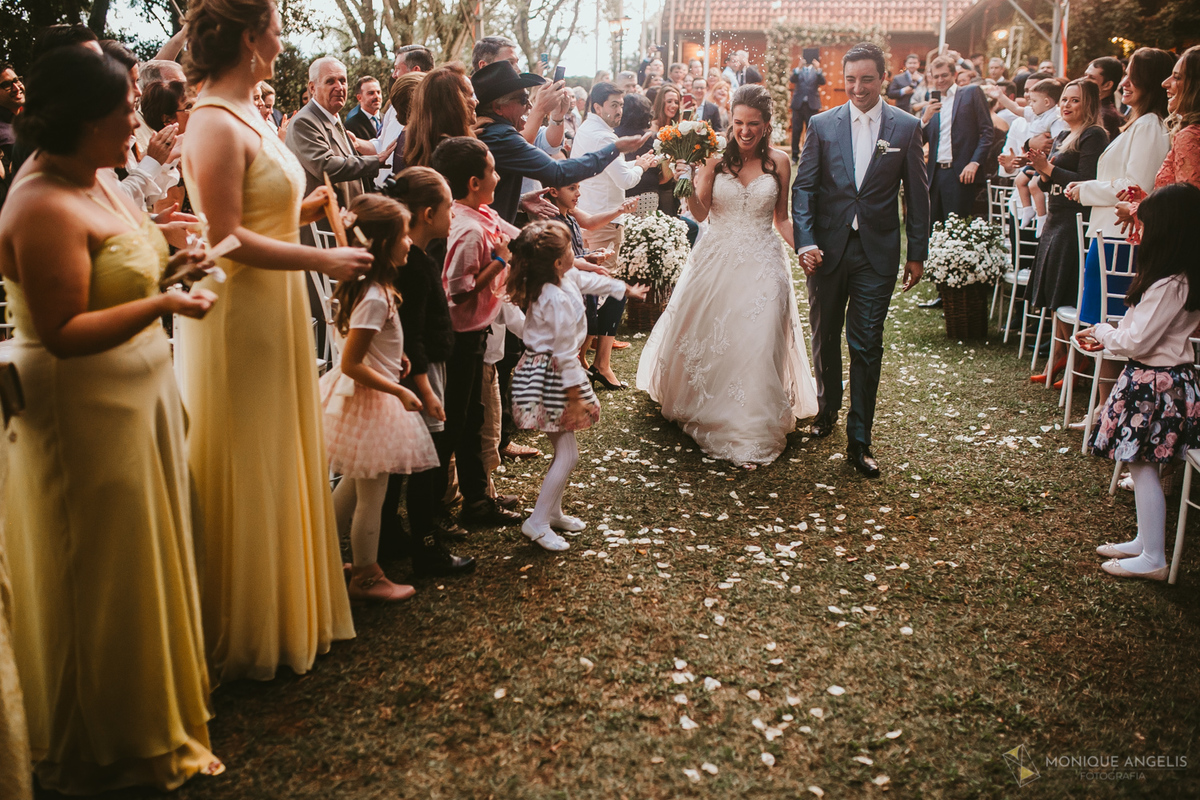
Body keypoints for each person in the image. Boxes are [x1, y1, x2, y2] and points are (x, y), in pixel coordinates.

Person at [0, 45, 221, 793]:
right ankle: (103, 742)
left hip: (137, 395)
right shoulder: (38, 204)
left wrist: (173, 263)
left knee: (143, 556)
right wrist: (163, 303)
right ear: (76, 120)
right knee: (99, 572)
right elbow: (62, 331)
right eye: (123, 109)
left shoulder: (98, 176)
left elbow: (122, 270)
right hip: (80, 410)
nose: (138, 117)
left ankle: (153, 719)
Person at [180, 0, 371, 683]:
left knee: (282, 444)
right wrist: (322, 259)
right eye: (277, 27)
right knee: (249, 450)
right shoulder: (208, 121)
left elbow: (261, 211)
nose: (282, 37)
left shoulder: (252, 113)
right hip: (238, 314)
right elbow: (227, 234)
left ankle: (289, 604)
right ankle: (243, 623)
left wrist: (310, 213)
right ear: (249, 37)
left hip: (276, 303)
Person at [638, 84, 818, 466]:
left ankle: (752, 423)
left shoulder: (781, 162)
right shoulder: (714, 157)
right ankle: (710, 407)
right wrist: (686, 182)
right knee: (717, 334)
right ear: (731, 121)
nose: (745, 131)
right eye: (738, 122)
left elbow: (781, 219)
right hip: (717, 257)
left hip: (764, 259)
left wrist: (803, 247)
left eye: (754, 124)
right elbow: (701, 214)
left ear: (767, 125)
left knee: (762, 332)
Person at [792, 43, 930, 477]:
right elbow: (804, 188)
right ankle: (827, 408)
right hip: (828, 250)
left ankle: (860, 439)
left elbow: (918, 194)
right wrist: (806, 241)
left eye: (866, 79)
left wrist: (918, 253)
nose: (857, 87)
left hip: (878, 251)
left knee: (867, 343)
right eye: (850, 79)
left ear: (882, 78)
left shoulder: (906, 127)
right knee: (825, 333)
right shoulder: (821, 123)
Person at [319, 194, 439, 600]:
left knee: (355, 484)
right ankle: (366, 575)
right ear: (383, 244)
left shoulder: (375, 289)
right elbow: (352, 363)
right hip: (371, 401)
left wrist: (398, 355)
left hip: (368, 397)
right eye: (403, 235)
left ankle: (320, 556)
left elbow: (371, 346)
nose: (409, 242)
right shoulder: (374, 296)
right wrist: (399, 389)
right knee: (373, 494)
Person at [1085, 183, 1200, 581]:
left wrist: (1102, 332)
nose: (1141, 233)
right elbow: (1137, 329)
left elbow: (1137, 340)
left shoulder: (1172, 284)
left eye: (1147, 226)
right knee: (1138, 462)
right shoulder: (1168, 279)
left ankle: (1154, 555)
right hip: (1152, 379)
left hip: (1160, 386)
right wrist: (1110, 331)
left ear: (1168, 231)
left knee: (1144, 464)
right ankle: (1144, 540)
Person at [508, 220, 646, 548]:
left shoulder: (563, 276)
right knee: (567, 455)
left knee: (566, 451)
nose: (576, 251)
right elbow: (560, 350)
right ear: (557, 262)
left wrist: (623, 289)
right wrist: (577, 390)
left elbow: (586, 279)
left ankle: (551, 512)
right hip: (551, 377)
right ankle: (538, 521)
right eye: (571, 248)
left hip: (554, 372)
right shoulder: (551, 297)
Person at [382, 167, 477, 573]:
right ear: (426, 214)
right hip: (420, 375)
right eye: (448, 207)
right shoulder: (414, 267)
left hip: (417, 371)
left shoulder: (412, 257)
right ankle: (425, 545)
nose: (453, 214)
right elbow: (411, 335)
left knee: (400, 463)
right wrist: (425, 388)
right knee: (423, 463)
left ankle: (388, 535)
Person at [430, 136, 524, 527]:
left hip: (477, 335)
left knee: (473, 418)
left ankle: (478, 499)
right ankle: (439, 511)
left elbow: (516, 235)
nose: (499, 176)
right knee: (456, 424)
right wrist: (499, 261)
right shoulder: (466, 228)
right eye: (492, 170)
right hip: (459, 339)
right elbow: (457, 289)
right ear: (473, 182)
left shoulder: (483, 213)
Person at [1071, 48, 1174, 328]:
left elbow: (1136, 187)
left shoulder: (1151, 126)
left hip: (1121, 237)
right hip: (1109, 234)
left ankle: (1101, 373)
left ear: (1151, 82)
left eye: (1132, 77)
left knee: (1108, 319)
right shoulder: (1139, 124)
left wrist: (1086, 190)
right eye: (1124, 76)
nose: (1123, 84)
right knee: (1096, 315)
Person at [473, 60, 646, 224]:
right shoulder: (500, 135)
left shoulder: (495, 132)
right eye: (523, 100)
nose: (529, 107)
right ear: (498, 108)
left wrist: (519, 201)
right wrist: (614, 148)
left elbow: (551, 144)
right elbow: (558, 172)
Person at [572, 82, 657, 388]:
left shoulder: (586, 130)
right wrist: (641, 168)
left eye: (621, 104)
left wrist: (637, 162)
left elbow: (610, 170)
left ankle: (585, 360)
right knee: (607, 292)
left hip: (590, 215)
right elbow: (624, 178)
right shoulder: (605, 136)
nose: (619, 110)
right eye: (613, 104)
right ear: (596, 107)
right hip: (604, 220)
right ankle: (601, 364)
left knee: (596, 292)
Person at [1027, 79, 1109, 384]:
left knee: (1065, 291)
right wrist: (1040, 168)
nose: (1066, 104)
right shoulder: (1063, 133)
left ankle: (1076, 359)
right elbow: (1049, 183)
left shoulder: (1093, 135)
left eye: (1074, 100)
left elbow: (1087, 180)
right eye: (1064, 99)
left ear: (1088, 104)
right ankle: (1060, 357)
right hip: (1056, 217)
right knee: (1053, 290)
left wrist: (1048, 169)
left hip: (1075, 220)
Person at [285, 57, 395, 211]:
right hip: (327, 225)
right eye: (330, 81)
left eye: (343, 81)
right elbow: (326, 166)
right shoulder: (303, 122)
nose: (339, 87)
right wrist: (374, 161)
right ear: (312, 88)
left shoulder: (333, 117)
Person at [1115, 46, 1200, 241]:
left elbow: (1187, 210)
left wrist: (1138, 208)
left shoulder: (1190, 136)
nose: (1166, 84)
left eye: (1177, 78)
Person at [922, 54, 994, 223]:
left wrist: (974, 162)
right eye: (936, 76)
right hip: (935, 173)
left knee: (958, 228)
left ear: (954, 75)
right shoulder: (932, 102)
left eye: (944, 75)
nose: (940, 80)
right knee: (934, 228)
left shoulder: (971, 93)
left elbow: (987, 132)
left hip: (961, 173)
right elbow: (921, 139)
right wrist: (925, 118)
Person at [402, 63, 476, 169]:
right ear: (455, 104)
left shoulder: (421, 144)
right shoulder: (455, 155)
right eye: (471, 95)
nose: (476, 101)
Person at [788, 56, 825, 161]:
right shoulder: (798, 71)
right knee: (796, 131)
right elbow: (792, 79)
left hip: (812, 105)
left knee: (812, 131)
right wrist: (798, 68)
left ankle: (810, 156)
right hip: (798, 105)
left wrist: (818, 69)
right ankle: (794, 156)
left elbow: (823, 81)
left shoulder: (816, 71)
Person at [1085, 56, 1126, 141]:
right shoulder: (1093, 109)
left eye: (1092, 78)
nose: (1084, 80)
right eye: (1085, 75)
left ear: (1107, 85)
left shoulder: (1105, 116)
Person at [345, 74, 384, 140]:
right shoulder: (350, 126)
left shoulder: (388, 119)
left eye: (378, 92)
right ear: (359, 98)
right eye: (371, 93)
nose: (376, 96)